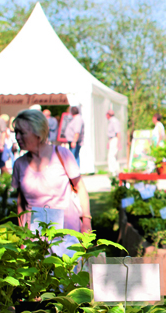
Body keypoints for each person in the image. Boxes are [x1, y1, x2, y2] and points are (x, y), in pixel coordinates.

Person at [12, 109, 92, 257]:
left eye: (22, 132)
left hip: (67, 233)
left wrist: (86, 221)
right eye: (15, 132)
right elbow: (20, 202)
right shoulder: (19, 164)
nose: (17, 137)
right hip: (35, 236)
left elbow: (80, 187)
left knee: (68, 277)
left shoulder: (62, 155)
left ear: (37, 132)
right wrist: (22, 231)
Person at [105, 109, 121, 174]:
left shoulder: (114, 121)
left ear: (108, 115)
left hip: (114, 139)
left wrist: (118, 142)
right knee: (114, 156)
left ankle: (113, 171)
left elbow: (118, 132)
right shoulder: (112, 121)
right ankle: (117, 170)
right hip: (112, 139)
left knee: (111, 156)